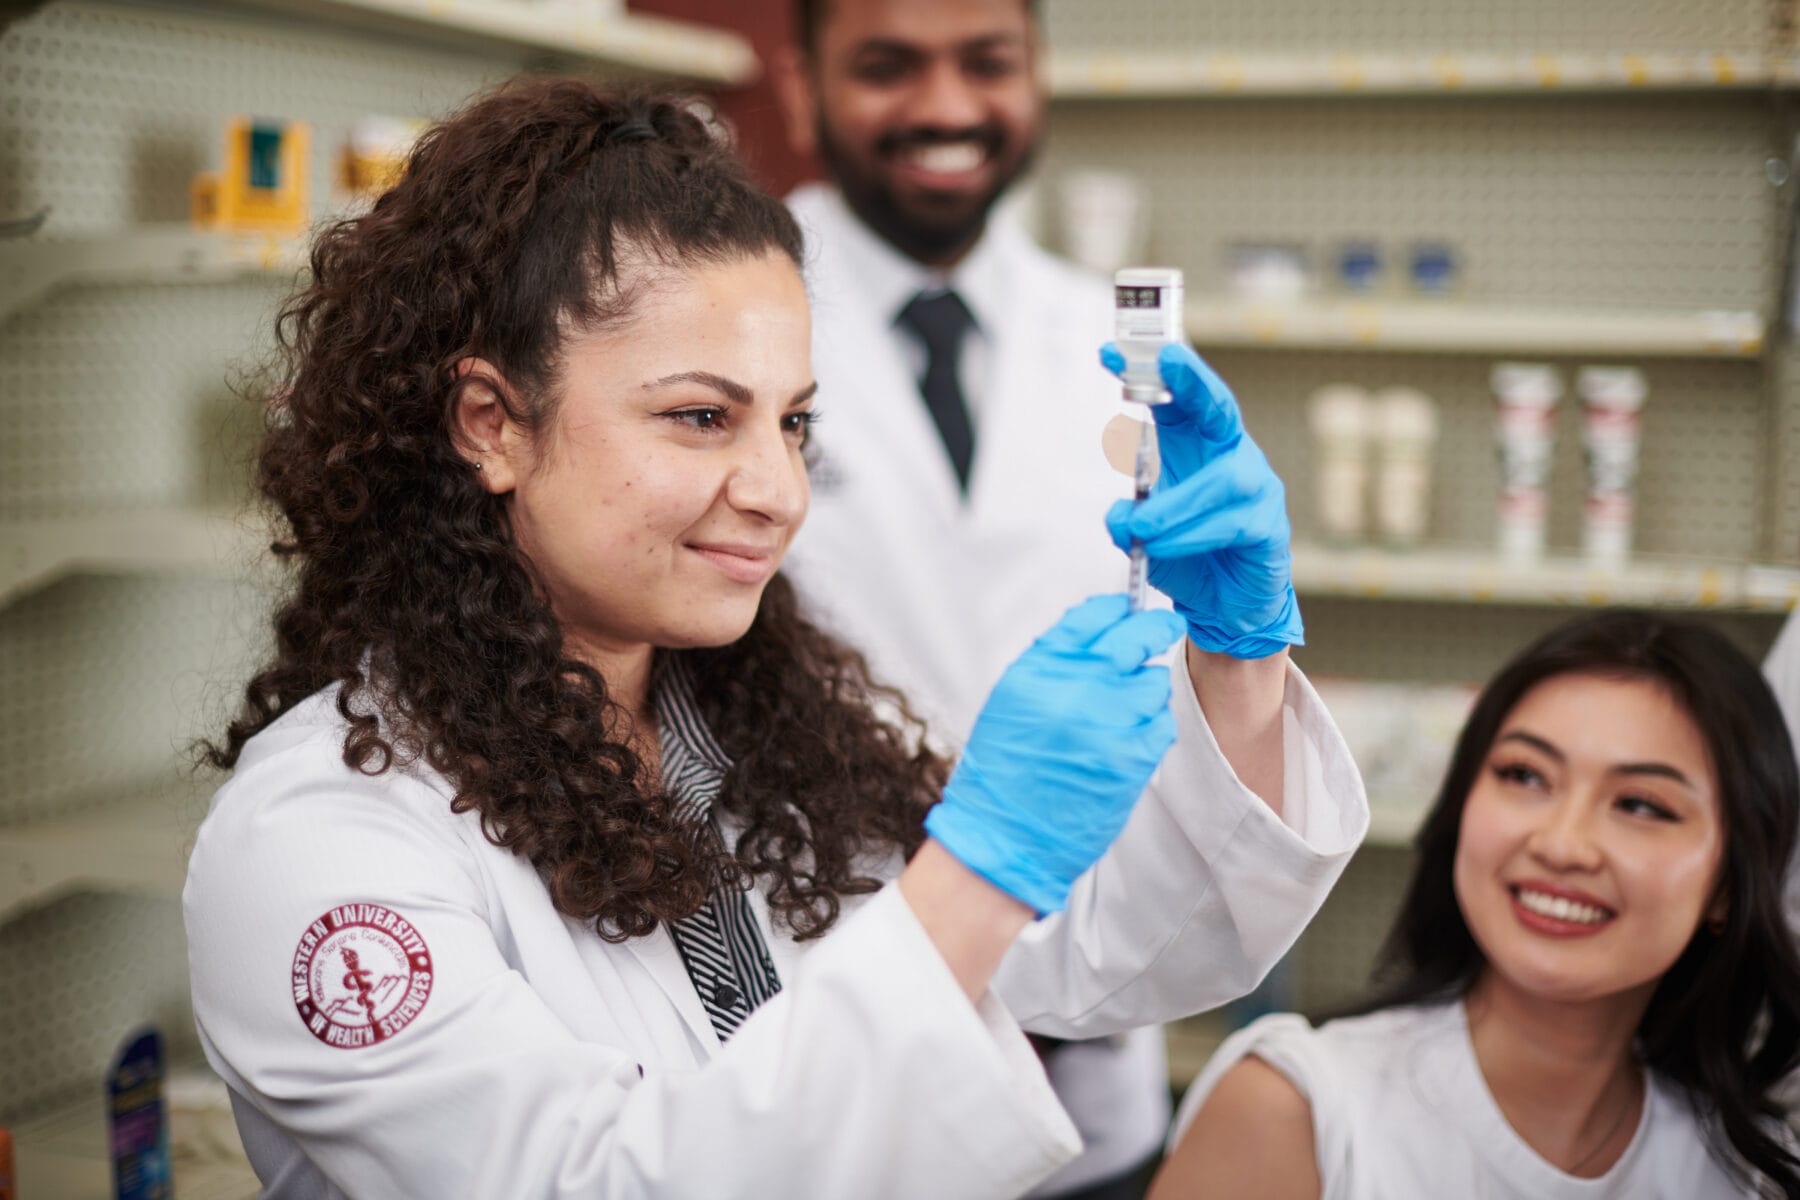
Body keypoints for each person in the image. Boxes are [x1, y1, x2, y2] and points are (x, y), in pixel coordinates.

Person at [182, 78, 1367, 1198]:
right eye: (702, 417)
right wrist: (979, 864)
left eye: (795, 425)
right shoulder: (322, 843)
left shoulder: (752, 734)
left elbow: (1109, 951)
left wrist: (1238, 660)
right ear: (491, 424)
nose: (779, 491)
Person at [768, 1, 1192, 1193]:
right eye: (888, 67)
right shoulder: (722, 315)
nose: (948, 108)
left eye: (988, 63)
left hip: (1084, 1028)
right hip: (817, 985)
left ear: (1038, 75)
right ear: (801, 90)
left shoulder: (1116, 335)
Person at [1152, 611, 1800, 1199]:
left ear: (1729, 883)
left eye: (1641, 805)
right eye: (1524, 775)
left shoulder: (1743, 1171)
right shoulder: (1296, 1111)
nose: (1561, 844)